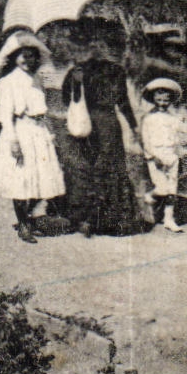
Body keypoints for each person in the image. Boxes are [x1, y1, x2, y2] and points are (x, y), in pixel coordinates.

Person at [60, 24, 147, 237]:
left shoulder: (76, 71)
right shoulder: (115, 70)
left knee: (86, 169)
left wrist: (77, 85)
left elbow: (67, 101)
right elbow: (123, 102)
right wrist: (134, 127)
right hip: (107, 124)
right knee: (110, 169)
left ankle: (85, 218)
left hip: (84, 124)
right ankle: (112, 219)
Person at [0, 30, 65, 244]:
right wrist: (13, 140)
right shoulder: (8, 82)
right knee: (21, 180)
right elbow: (5, 114)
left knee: (44, 178)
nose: (27, 60)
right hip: (20, 131)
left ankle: (28, 217)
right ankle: (23, 223)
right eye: (23, 55)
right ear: (14, 57)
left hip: (38, 131)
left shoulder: (37, 79)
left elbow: (42, 110)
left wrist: (50, 132)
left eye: (31, 55)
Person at [140, 77, 185, 233]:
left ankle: (169, 219)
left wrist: (178, 157)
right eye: (159, 99)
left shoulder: (173, 118)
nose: (162, 102)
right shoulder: (148, 118)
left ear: (170, 101)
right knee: (162, 189)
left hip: (171, 154)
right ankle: (149, 197)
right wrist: (152, 156)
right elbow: (146, 140)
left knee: (172, 189)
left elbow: (177, 139)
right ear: (153, 99)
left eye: (166, 99)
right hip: (156, 155)